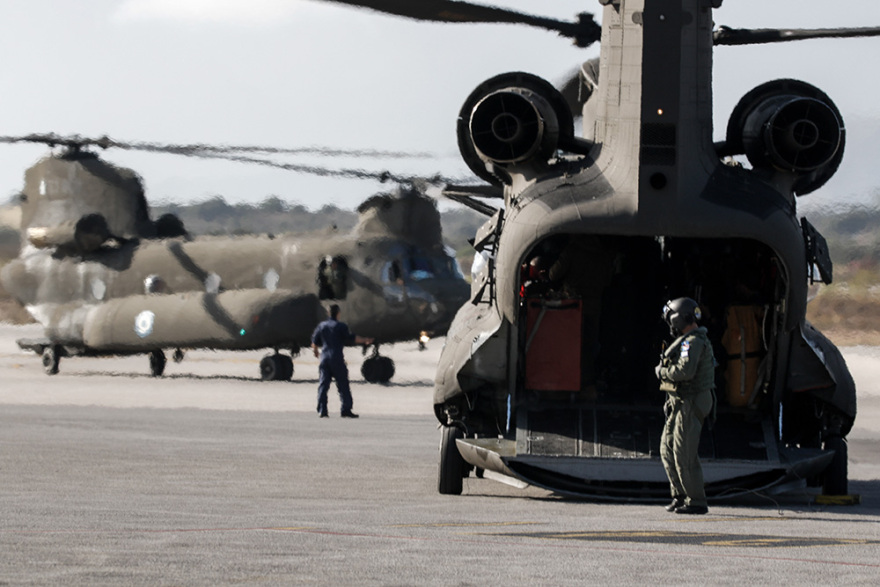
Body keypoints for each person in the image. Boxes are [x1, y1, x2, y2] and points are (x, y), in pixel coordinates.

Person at [655, 297, 716, 515]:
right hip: (681, 401)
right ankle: (680, 495)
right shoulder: (688, 340)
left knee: (684, 453)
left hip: (692, 400)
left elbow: (684, 372)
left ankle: (696, 500)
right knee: (667, 447)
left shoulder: (693, 342)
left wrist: (662, 372)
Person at [311, 304, 373, 418]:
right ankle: (346, 409)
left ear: (329, 313)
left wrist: (316, 353)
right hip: (337, 358)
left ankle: (322, 410)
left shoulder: (322, 326)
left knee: (323, 385)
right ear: (338, 313)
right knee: (343, 385)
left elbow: (314, 342)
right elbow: (352, 338)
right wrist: (365, 340)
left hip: (324, 358)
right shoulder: (341, 326)